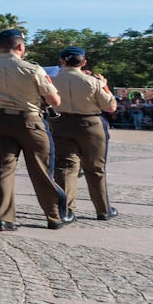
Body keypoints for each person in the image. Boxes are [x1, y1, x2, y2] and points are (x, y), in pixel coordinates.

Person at [0, 28, 71, 231]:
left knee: (2, 168)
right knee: (40, 169)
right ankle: (53, 216)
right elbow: (54, 100)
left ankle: (2, 218)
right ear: (20, 46)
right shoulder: (33, 69)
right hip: (29, 120)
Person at [51, 46, 118, 220]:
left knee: (65, 166)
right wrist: (105, 86)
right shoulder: (93, 82)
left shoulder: (52, 79)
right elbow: (110, 107)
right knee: (95, 168)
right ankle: (103, 209)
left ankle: (65, 209)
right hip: (90, 124)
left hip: (60, 122)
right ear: (84, 62)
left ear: (62, 61)